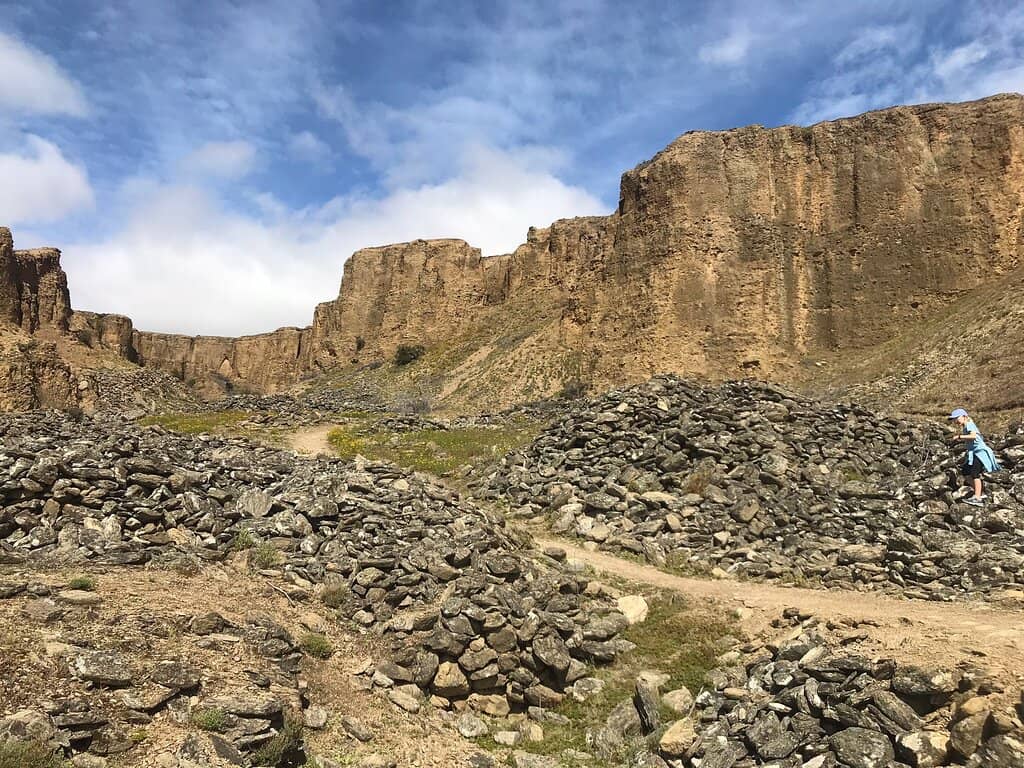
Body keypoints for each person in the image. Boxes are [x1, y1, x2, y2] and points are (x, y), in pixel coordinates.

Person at [947, 408, 1000, 505]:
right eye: (954, 419)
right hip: (974, 453)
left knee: (975, 473)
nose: (955, 421)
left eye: (956, 418)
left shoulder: (969, 424)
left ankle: (977, 498)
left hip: (980, 453)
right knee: (966, 472)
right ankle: (979, 492)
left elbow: (973, 436)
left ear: (964, 416)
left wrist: (959, 437)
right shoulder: (965, 426)